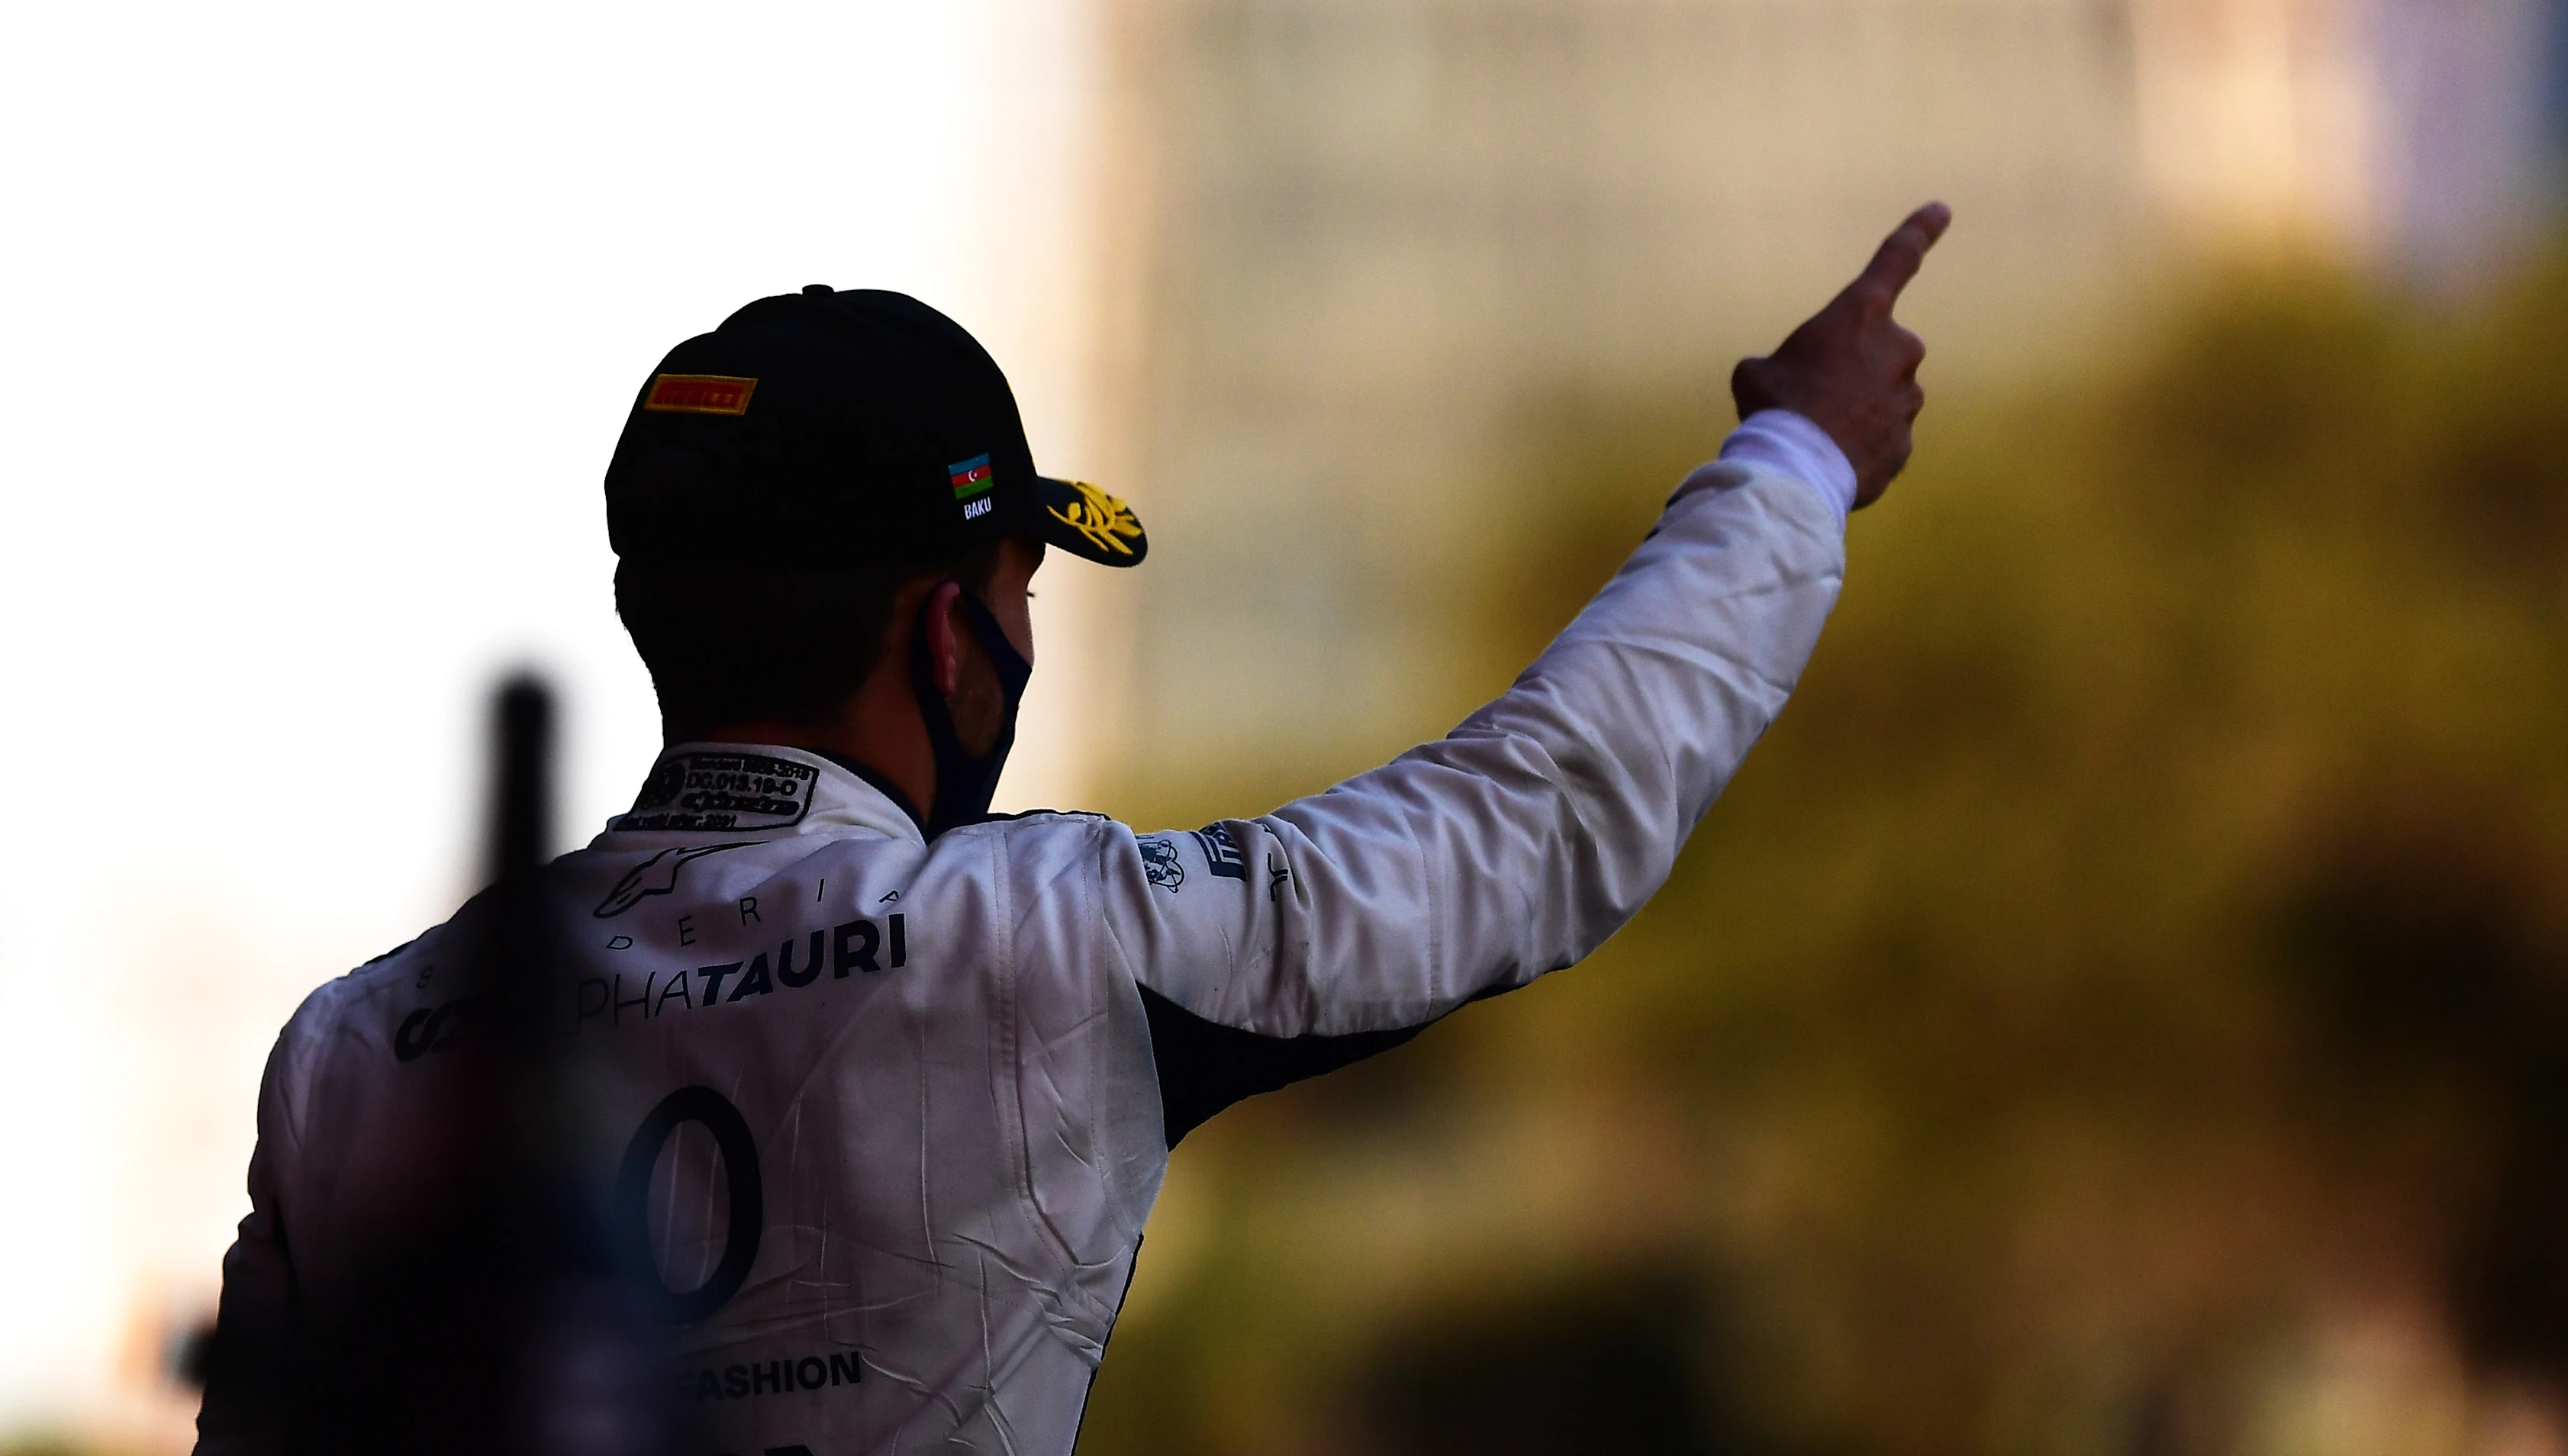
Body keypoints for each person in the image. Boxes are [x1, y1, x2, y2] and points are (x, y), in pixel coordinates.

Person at [195, 202, 1951, 1456]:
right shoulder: (1049, 937)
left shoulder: (347, 1054)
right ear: (952, 633)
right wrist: (1789, 461)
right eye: (1019, 587)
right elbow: (1537, 818)